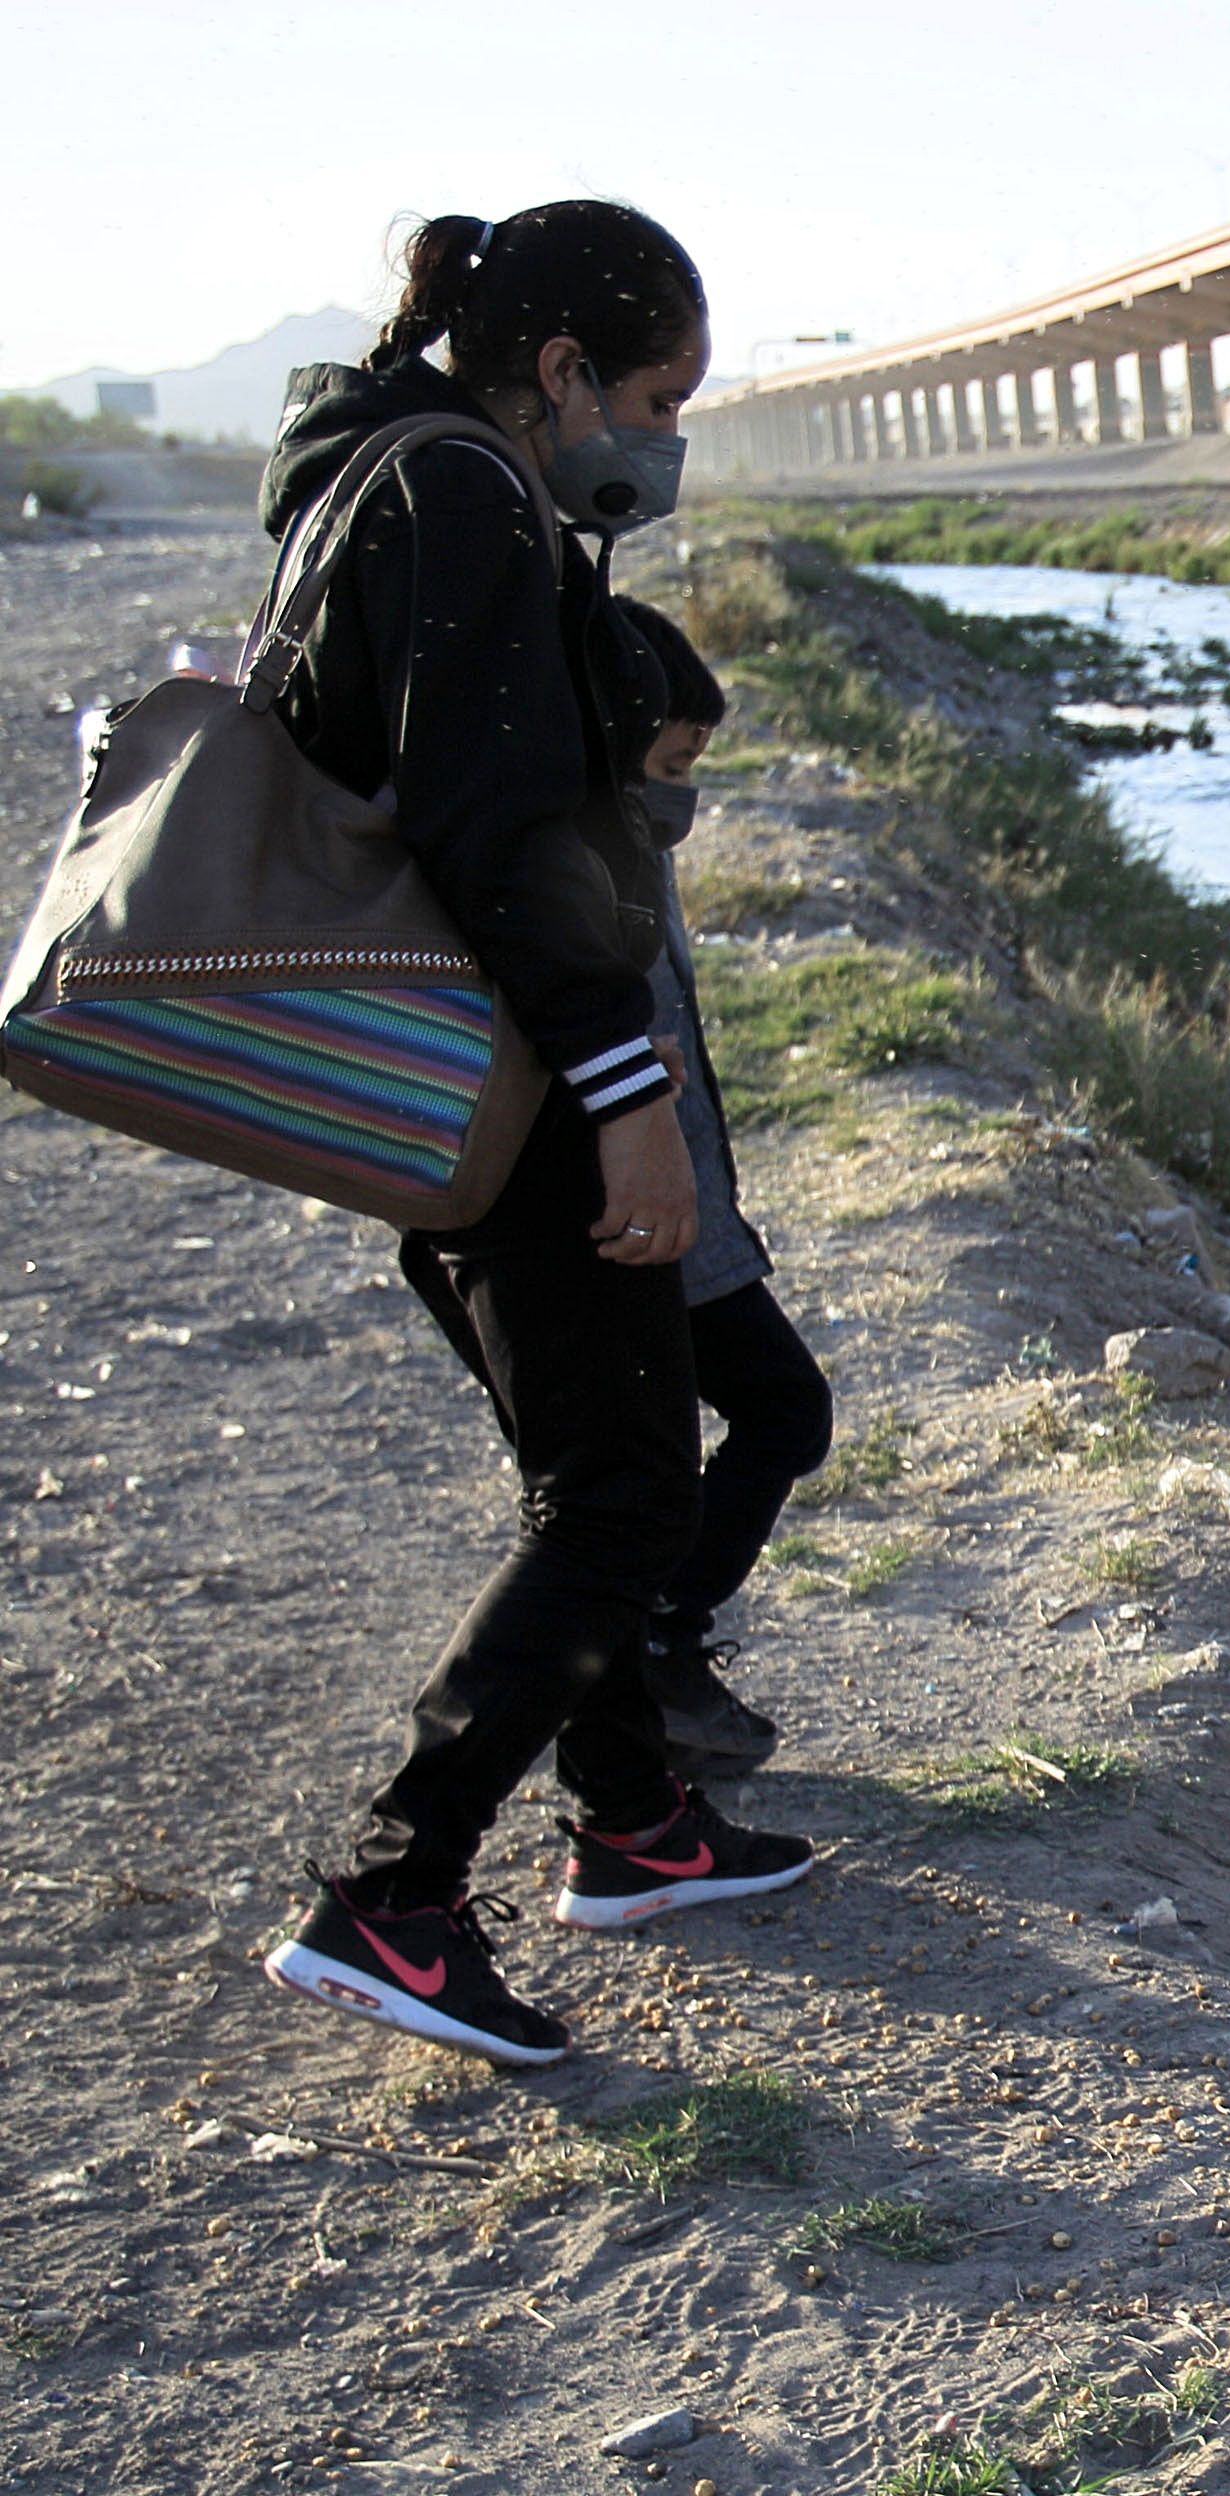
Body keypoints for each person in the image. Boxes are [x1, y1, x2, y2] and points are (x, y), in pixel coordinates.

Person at [254, 203, 813, 2072]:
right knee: (626, 1501)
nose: (663, 440)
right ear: (559, 369)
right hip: (516, 1093)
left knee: (605, 1464)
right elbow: (508, 838)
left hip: (460, 1086)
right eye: (658, 396)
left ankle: (638, 1827)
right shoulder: (468, 501)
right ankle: (392, 1895)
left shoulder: (374, 475)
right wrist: (627, 1106)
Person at [609, 598, 833, 1781]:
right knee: (783, 1410)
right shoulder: (585, 862)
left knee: (645, 1469)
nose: (687, 791)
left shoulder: (622, 846)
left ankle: (647, 1665)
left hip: (677, 1210)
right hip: (644, 1219)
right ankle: (654, 1653)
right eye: (675, 764)